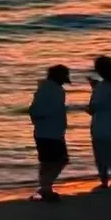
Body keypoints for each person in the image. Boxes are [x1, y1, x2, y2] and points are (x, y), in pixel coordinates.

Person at [29, 64, 72, 202]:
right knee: (59, 160)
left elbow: (35, 111)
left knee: (47, 162)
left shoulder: (47, 90)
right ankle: (45, 188)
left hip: (47, 131)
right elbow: (36, 111)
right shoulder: (51, 91)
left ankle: (45, 188)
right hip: (50, 133)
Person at [86, 56, 111, 190]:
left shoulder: (103, 87)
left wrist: (95, 90)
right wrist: (96, 86)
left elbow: (93, 107)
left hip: (100, 123)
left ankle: (104, 181)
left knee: (100, 153)